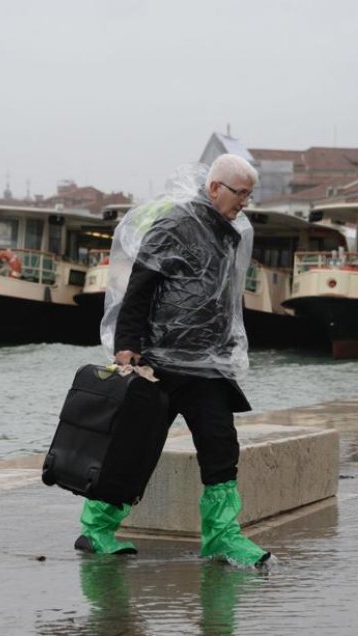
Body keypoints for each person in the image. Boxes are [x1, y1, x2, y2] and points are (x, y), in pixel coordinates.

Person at [74, 154, 271, 568]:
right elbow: (140, 286)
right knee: (134, 448)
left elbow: (224, 298)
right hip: (157, 363)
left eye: (249, 196)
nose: (244, 204)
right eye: (240, 194)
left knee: (221, 447)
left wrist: (230, 346)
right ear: (215, 187)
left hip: (207, 368)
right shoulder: (176, 224)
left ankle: (222, 536)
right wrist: (126, 346)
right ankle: (96, 529)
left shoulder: (228, 233)